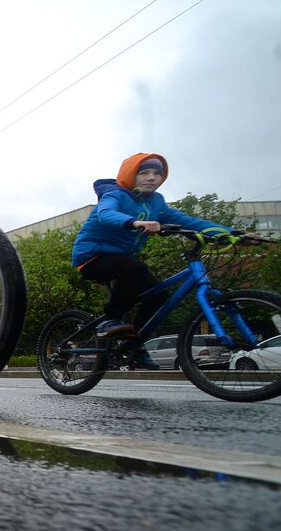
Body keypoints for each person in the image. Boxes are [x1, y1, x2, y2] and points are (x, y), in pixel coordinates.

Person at [72, 153, 242, 369]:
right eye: (144, 172)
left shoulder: (157, 202)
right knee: (134, 268)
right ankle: (111, 319)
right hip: (92, 257)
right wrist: (134, 222)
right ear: (130, 176)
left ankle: (133, 345)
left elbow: (187, 221)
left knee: (158, 295)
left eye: (157, 173)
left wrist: (233, 233)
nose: (152, 177)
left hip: (123, 259)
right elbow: (106, 214)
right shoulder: (114, 194)